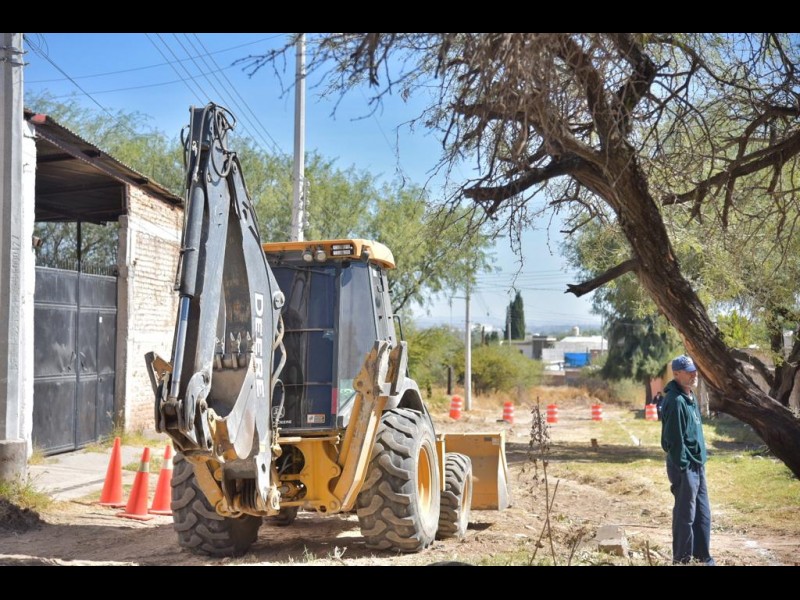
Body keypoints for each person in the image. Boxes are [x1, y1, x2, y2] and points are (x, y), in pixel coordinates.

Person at [661, 354, 715, 566]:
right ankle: (682, 560)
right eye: (689, 372)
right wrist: (683, 466)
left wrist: (699, 460)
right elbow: (673, 440)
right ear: (676, 374)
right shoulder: (675, 401)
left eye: (695, 370)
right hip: (684, 466)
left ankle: (703, 557)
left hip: (697, 464)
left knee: (703, 513)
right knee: (686, 515)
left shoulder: (690, 397)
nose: (694, 374)